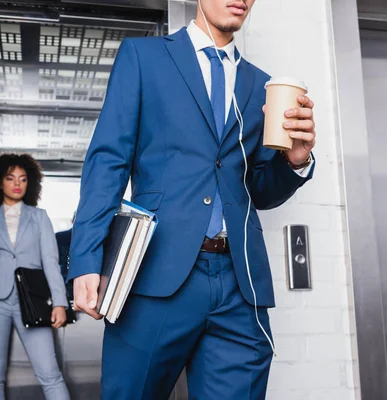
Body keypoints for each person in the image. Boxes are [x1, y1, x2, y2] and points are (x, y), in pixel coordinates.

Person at [68, 0, 317, 398]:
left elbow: (259, 191)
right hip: (154, 274)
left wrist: (295, 161)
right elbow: (108, 162)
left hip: (240, 285)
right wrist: (86, 258)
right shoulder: (143, 57)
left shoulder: (261, 85)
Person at [0, 153, 70, 400]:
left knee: (50, 374)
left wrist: (60, 303)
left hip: (31, 300)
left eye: (22, 179)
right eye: (11, 178)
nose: (17, 184)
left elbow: (51, 263)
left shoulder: (40, 217)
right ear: (0, 183)